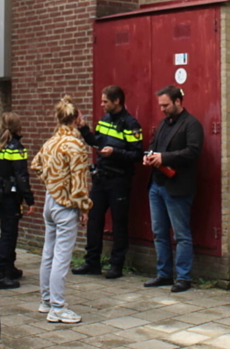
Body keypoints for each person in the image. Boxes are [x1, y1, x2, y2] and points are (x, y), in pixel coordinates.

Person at [31, 96, 93, 324]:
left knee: (49, 252)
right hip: (66, 205)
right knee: (62, 256)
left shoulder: (50, 143)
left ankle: (46, 300)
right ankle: (57, 306)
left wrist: (51, 182)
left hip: (50, 201)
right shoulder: (75, 145)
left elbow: (36, 164)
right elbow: (79, 182)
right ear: (77, 119)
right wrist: (83, 208)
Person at [72, 85, 144, 279]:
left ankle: (116, 265)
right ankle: (92, 262)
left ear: (116, 101)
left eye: (105, 101)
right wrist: (83, 129)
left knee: (119, 222)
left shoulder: (130, 124)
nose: (102, 104)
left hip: (119, 179)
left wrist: (115, 152)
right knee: (94, 219)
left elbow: (137, 154)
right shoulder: (104, 120)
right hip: (101, 177)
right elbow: (97, 142)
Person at [142, 85, 203, 293]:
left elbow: (193, 151)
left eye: (166, 105)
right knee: (159, 232)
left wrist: (164, 158)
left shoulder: (191, 124)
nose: (162, 109)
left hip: (177, 187)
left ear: (178, 102)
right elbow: (153, 144)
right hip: (157, 185)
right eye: (160, 105)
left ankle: (184, 277)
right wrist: (148, 155)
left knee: (181, 234)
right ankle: (164, 274)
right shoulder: (162, 124)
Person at [0, 113, 34, 289]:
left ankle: (9, 268)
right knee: (8, 233)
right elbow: (22, 177)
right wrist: (30, 200)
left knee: (8, 229)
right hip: (9, 196)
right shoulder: (17, 149)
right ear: (17, 127)